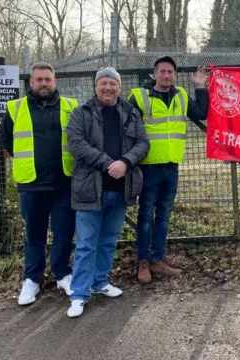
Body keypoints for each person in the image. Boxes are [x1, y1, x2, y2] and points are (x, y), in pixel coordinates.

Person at [65, 67, 149, 318]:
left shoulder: (131, 113)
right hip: (91, 189)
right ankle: (78, 294)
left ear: (119, 87)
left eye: (112, 83)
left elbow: (143, 143)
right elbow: (76, 144)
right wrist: (107, 163)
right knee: (86, 244)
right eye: (103, 83)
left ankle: (100, 282)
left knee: (108, 241)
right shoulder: (81, 113)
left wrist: (124, 161)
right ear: (95, 86)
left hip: (121, 189)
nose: (108, 88)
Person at [1, 62, 78, 306]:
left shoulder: (71, 107)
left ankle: (63, 274)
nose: (43, 83)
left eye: (48, 79)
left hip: (64, 183)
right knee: (34, 235)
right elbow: (8, 145)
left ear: (55, 82)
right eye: (39, 79)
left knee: (64, 233)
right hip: (32, 185)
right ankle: (32, 279)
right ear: (30, 83)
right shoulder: (15, 108)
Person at [128, 56, 208, 284]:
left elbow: (202, 113)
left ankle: (157, 260)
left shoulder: (181, 96)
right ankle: (143, 262)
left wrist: (200, 86)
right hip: (147, 167)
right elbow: (127, 129)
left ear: (175, 75)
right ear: (155, 73)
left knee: (163, 216)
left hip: (172, 166)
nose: (166, 76)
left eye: (170, 72)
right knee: (145, 216)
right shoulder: (139, 96)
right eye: (162, 72)